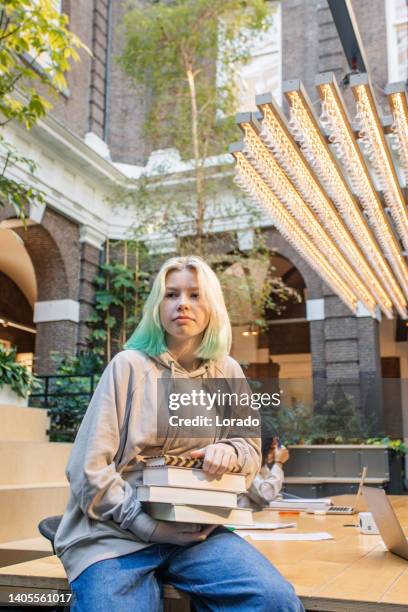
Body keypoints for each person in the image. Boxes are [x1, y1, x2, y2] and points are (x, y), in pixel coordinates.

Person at [54, 255, 304, 612]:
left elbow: (250, 452)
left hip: (196, 532)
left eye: (194, 294)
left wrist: (229, 452)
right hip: (114, 535)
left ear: (212, 305)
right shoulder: (128, 365)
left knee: (275, 601)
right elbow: (87, 468)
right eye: (171, 294)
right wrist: (147, 527)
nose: (182, 303)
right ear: (158, 305)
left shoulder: (227, 371)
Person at [239, 437, 290, 509]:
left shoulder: (263, 467)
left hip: (260, 516)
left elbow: (275, 495)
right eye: (272, 448)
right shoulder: (245, 466)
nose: (277, 452)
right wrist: (279, 463)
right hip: (246, 518)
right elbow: (266, 496)